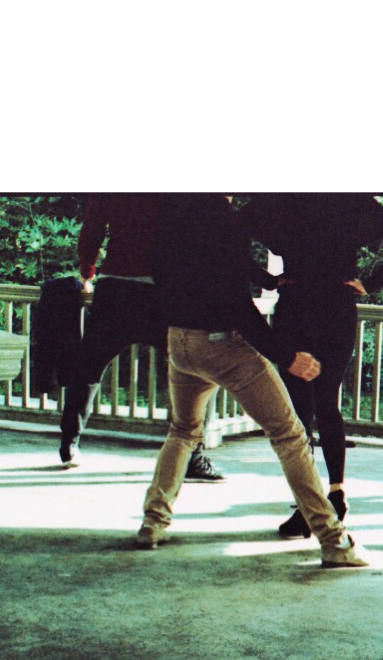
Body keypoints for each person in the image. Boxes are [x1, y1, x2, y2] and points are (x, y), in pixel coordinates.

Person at [136, 194, 368, 570]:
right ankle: (334, 540)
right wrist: (287, 356)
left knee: (183, 430)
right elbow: (238, 305)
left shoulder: (173, 215)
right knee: (290, 435)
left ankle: (153, 522)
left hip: (180, 341)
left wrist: (268, 280)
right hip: (223, 346)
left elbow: (203, 271)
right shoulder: (226, 221)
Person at [238, 195, 383, 536]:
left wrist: (267, 280)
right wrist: (372, 283)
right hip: (337, 308)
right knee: (326, 403)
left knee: (299, 410)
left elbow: (230, 237)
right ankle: (335, 493)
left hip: (296, 306)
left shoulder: (281, 201)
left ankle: (308, 503)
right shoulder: (350, 200)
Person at [64, 194, 224, 483]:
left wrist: (87, 271)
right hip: (162, 289)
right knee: (193, 368)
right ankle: (193, 455)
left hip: (115, 287)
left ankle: (69, 443)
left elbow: (93, 228)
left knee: (89, 367)